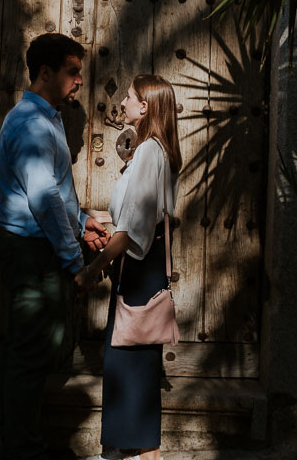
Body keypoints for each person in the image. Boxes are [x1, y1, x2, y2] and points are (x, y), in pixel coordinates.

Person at [0, 32, 112, 460]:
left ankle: (17, 440)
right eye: (72, 71)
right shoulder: (31, 124)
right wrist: (74, 262)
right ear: (46, 73)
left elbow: (55, 191)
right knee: (30, 353)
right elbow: (43, 199)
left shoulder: (47, 118)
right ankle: (22, 448)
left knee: (26, 350)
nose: (80, 81)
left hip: (36, 248)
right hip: (34, 253)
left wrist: (83, 222)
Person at [76, 75, 182, 460]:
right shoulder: (153, 150)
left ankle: (138, 455)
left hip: (137, 271)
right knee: (131, 360)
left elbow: (134, 228)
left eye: (131, 96)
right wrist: (90, 215)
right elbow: (132, 214)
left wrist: (95, 268)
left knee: (130, 361)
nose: (123, 101)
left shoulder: (150, 151)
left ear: (147, 106)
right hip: (141, 268)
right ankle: (128, 453)